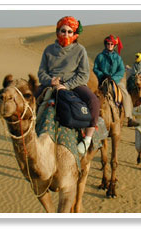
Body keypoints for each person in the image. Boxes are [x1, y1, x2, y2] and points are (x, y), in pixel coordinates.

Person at [37, 16, 100, 155]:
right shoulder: (49, 50)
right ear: (57, 32)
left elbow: (83, 75)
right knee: (30, 101)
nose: (66, 34)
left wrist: (67, 85)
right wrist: (50, 81)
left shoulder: (80, 50)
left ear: (74, 34)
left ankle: (88, 139)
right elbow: (41, 72)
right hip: (51, 83)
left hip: (73, 84)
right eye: (63, 31)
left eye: (69, 31)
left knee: (94, 101)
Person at [93, 34, 139, 127]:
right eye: (108, 44)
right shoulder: (100, 56)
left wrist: (113, 78)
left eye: (111, 44)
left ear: (114, 45)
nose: (109, 45)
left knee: (125, 94)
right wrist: (102, 75)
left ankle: (129, 118)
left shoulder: (118, 58)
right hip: (101, 80)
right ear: (105, 44)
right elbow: (95, 68)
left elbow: (121, 70)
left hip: (115, 81)